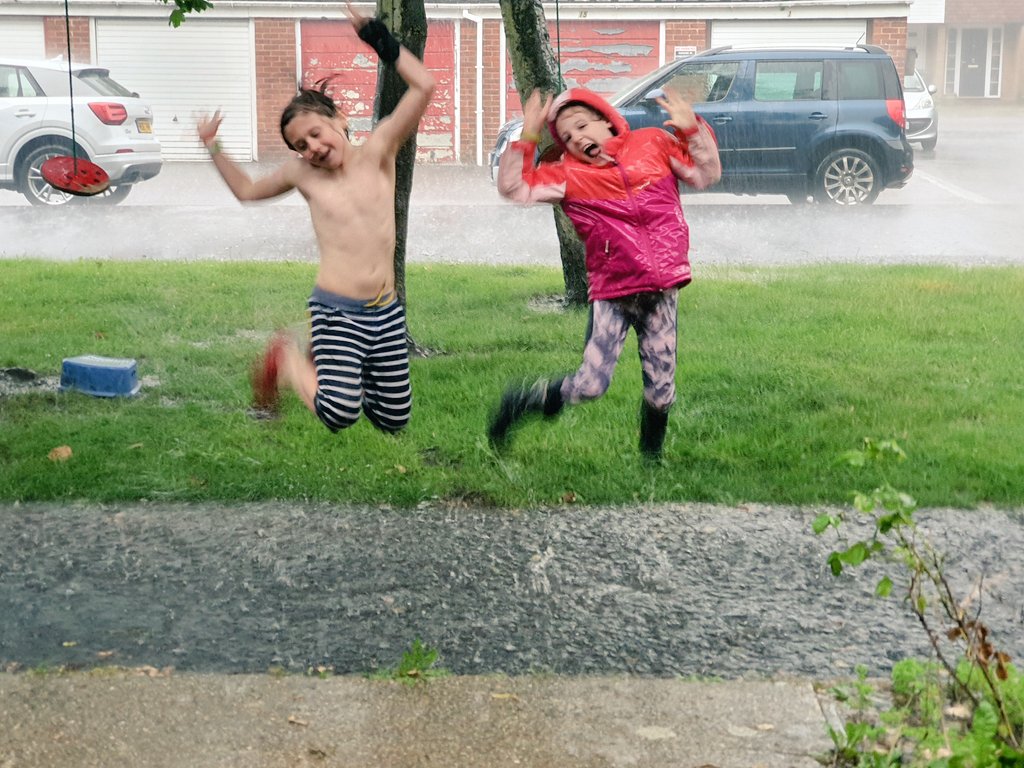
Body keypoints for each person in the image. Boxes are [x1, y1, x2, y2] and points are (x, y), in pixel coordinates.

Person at [196, 2, 434, 434]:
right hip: (337, 311)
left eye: (315, 134)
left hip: (386, 311)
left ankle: (333, 368)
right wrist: (214, 148)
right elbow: (248, 192)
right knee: (339, 413)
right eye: (300, 145)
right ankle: (287, 358)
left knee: (393, 420)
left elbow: (424, 86)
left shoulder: (380, 150)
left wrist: (378, 37)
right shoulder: (302, 174)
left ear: (339, 120)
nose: (312, 148)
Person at [490, 86, 721, 459]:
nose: (577, 138)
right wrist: (529, 136)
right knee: (590, 385)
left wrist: (691, 129)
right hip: (613, 294)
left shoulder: (654, 145)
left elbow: (704, 174)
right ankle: (523, 402)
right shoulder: (567, 175)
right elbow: (514, 187)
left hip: (661, 290)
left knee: (661, 393)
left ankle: (651, 461)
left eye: (582, 125)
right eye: (567, 136)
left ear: (606, 121)